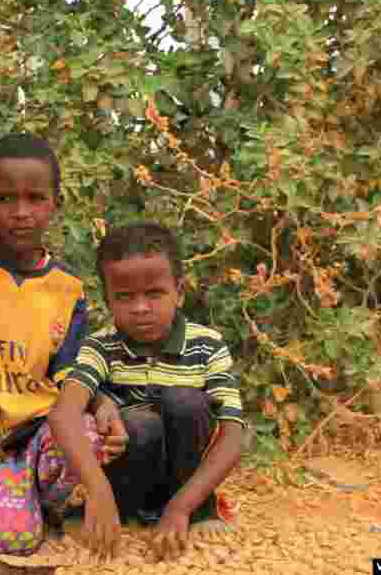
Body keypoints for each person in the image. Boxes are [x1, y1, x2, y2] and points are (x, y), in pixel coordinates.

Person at [0, 134, 127, 555]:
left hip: (44, 432)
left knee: (95, 435)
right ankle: (7, 499)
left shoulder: (66, 288)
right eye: (5, 199)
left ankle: (51, 503)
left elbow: (69, 372)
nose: (21, 213)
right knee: (12, 538)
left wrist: (102, 404)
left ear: (55, 202)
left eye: (35, 198)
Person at [51, 222, 245, 561]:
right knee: (140, 425)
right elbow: (64, 413)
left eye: (154, 293)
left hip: (187, 485)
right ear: (108, 299)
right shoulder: (101, 346)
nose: (140, 308)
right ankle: (126, 513)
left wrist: (182, 508)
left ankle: (198, 512)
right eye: (125, 297)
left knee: (184, 400)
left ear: (179, 291)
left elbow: (232, 434)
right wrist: (98, 491)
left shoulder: (207, 345)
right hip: (128, 477)